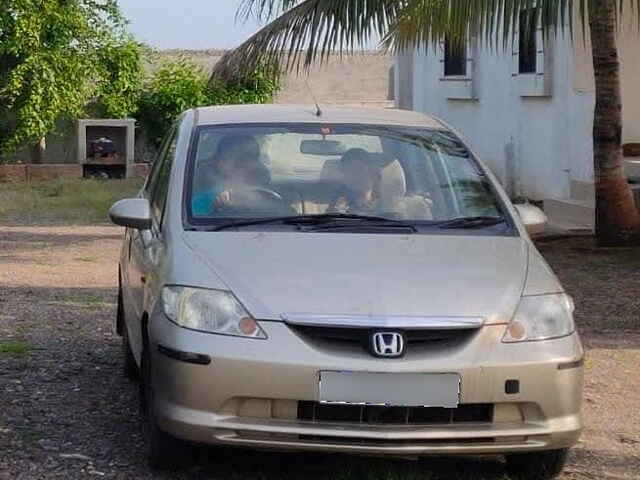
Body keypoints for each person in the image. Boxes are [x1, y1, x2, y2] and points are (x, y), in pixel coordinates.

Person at [191, 135, 270, 216]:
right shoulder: (199, 204)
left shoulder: (268, 198)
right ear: (220, 164)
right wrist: (218, 210)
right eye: (240, 161)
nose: (249, 166)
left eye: (253, 157)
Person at [328, 148, 380, 214]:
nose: (354, 176)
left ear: (370, 170)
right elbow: (333, 218)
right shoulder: (339, 196)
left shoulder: (387, 193)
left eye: (359, 170)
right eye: (349, 171)